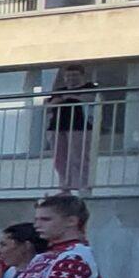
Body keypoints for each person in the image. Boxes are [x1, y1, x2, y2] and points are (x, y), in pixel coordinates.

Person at [44, 65, 98, 194]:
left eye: (74, 75)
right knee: (59, 159)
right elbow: (48, 106)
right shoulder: (59, 90)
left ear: (82, 76)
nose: (71, 78)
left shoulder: (89, 87)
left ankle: (83, 186)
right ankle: (65, 187)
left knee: (79, 157)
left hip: (79, 126)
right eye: (68, 76)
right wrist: (66, 98)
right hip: (57, 126)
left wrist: (69, 98)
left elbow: (90, 99)